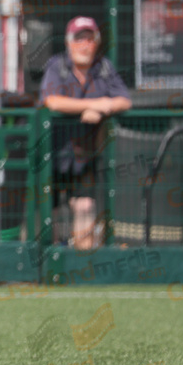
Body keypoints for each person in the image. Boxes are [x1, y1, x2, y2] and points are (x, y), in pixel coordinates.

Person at [39, 17, 132, 250]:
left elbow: (124, 100)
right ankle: (50, 267)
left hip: (85, 156)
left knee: (85, 207)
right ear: (69, 43)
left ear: (96, 43)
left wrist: (105, 108)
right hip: (53, 152)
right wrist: (92, 106)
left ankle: (81, 266)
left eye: (89, 39)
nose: (84, 45)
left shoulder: (104, 68)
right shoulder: (56, 66)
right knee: (48, 214)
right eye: (79, 39)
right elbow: (52, 101)